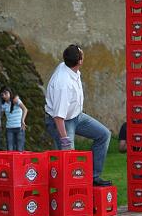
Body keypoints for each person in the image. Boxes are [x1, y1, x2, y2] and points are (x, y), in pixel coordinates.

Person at [45, 44, 112, 187]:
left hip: (77, 116)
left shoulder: (67, 66)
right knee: (69, 158)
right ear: (79, 61)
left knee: (104, 134)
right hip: (61, 122)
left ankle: (93, 177)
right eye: (81, 53)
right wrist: (65, 140)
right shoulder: (63, 84)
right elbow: (58, 117)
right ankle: (70, 193)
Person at [0, 86, 28, 152]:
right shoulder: (3, 105)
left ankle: (19, 162)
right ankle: (12, 162)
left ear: (10, 93)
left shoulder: (16, 100)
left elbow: (25, 109)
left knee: (19, 149)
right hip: (9, 129)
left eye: (6, 93)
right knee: (10, 149)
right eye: (2, 94)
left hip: (19, 128)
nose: (4, 96)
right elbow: (0, 116)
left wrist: (22, 120)